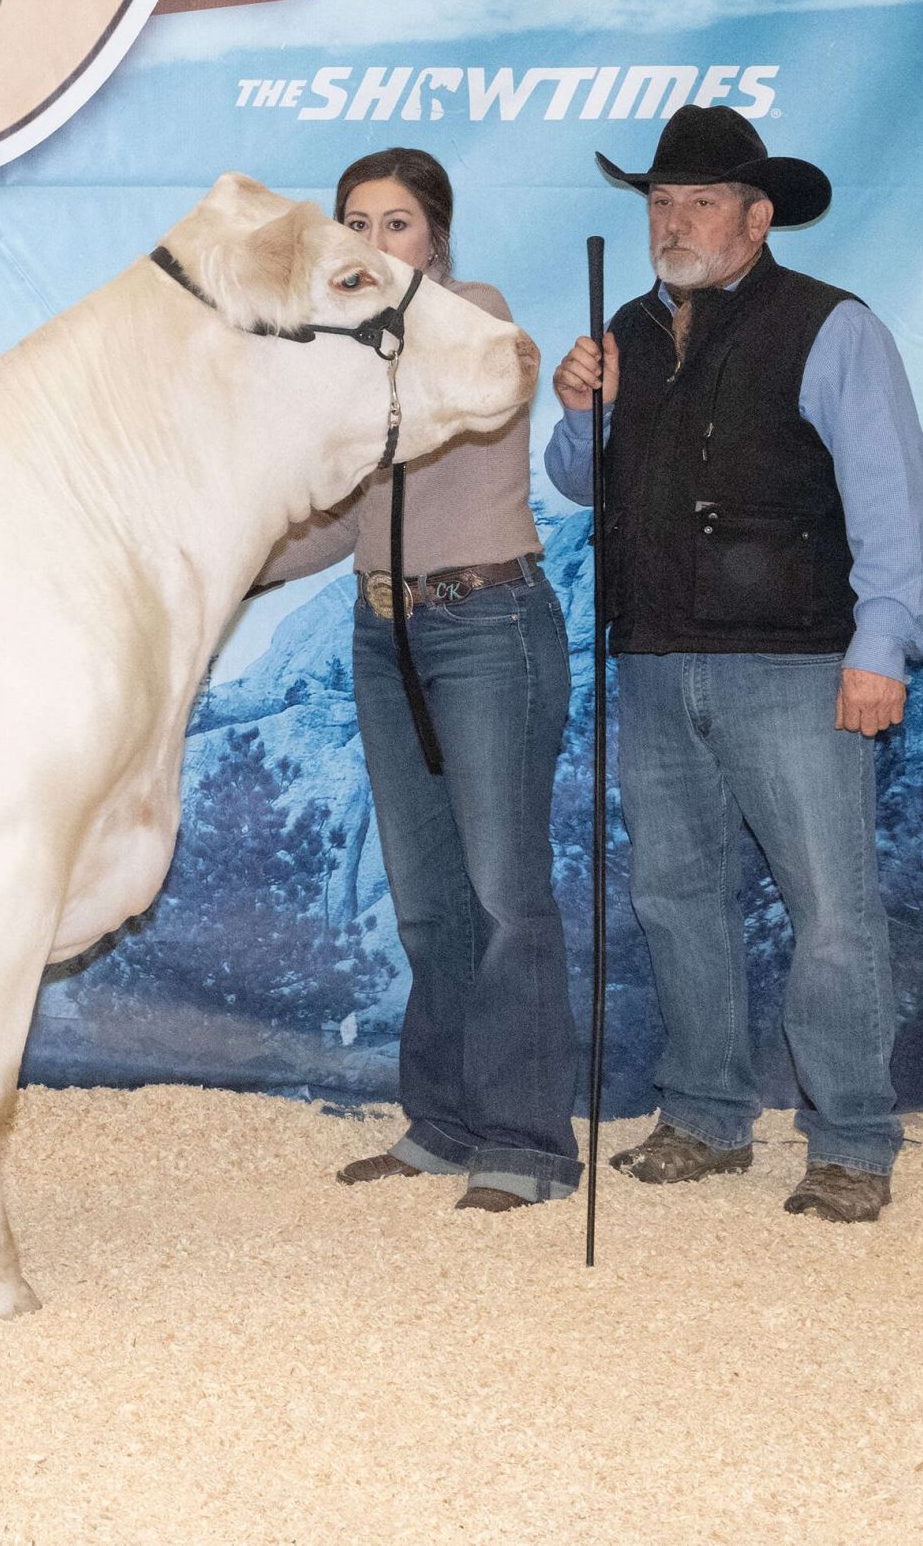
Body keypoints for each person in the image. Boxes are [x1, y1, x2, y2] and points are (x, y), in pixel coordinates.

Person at [546, 105, 923, 1224]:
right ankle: (706, 1114)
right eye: (659, 201)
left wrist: (881, 646)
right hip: (656, 659)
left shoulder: (830, 326)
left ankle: (852, 1136)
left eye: (699, 200)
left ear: (757, 218)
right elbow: (585, 485)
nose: (673, 219)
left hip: (797, 664)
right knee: (675, 900)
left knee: (831, 911)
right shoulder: (623, 327)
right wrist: (582, 412)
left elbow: (888, 496)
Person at [260, 148, 580, 1212]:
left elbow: (447, 406)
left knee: (503, 899)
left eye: (394, 222)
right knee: (427, 906)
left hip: (487, 622)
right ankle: (443, 1126)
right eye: (352, 222)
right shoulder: (350, 358)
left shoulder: (472, 320)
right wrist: (223, 560)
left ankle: (528, 1146)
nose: (371, 240)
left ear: (434, 238)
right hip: (381, 629)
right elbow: (349, 515)